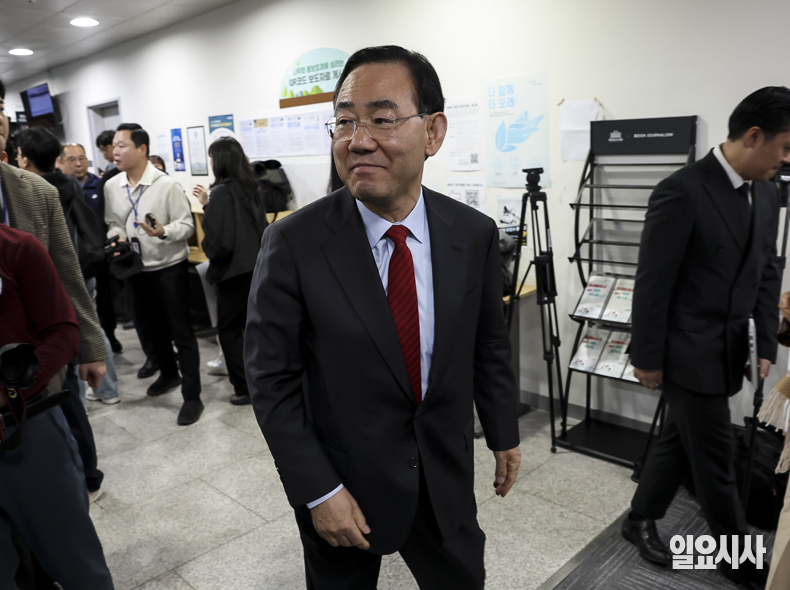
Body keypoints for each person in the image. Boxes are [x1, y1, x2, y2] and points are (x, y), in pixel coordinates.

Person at [246, 46, 521, 589]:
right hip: (343, 482)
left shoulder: (472, 233)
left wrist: (503, 431)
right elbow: (270, 380)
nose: (358, 140)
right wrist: (318, 490)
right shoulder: (294, 242)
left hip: (443, 473)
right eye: (345, 121)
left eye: (382, 119)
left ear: (433, 132)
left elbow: (488, 343)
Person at [622, 86, 788, 589]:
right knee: (716, 461)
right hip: (686, 351)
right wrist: (647, 356)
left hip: (733, 346)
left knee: (679, 437)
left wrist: (765, 344)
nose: (786, 160)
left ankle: (638, 518)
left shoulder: (767, 191)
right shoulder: (682, 190)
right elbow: (653, 282)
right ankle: (738, 560)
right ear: (753, 136)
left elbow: (767, 270)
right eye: (784, 147)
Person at [0, 77, 108, 476]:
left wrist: (92, 346)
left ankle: (86, 476)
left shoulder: (37, 191)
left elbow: (67, 272)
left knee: (63, 435)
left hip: (43, 354)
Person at [0, 223, 115, 589]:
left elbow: (63, 330)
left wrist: (10, 389)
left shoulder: (15, 247)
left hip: (25, 427)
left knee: (75, 561)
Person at [104, 122, 204, 425]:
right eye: (114, 146)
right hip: (136, 269)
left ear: (142, 149)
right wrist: (117, 236)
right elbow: (113, 222)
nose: (115, 151)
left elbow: (186, 225)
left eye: (122, 145)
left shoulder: (166, 185)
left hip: (169, 268)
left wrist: (163, 231)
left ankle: (192, 396)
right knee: (151, 329)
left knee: (181, 332)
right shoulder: (112, 186)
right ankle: (169, 374)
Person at [17, 127, 122, 406]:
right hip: (81, 269)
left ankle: (79, 401)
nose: (78, 163)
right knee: (91, 326)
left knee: (60, 338)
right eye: (72, 158)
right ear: (57, 159)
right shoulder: (71, 185)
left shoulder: (30, 192)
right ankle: (108, 390)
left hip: (54, 279)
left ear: (24, 159)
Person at [201, 136, 268, 406]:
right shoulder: (251, 188)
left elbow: (219, 243)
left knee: (229, 332)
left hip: (232, 274)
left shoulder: (221, 193)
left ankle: (243, 388)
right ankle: (261, 382)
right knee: (255, 330)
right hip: (257, 269)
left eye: (212, 158)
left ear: (219, 161)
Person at [59, 142, 101, 212]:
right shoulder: (57, 189)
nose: (78, 164)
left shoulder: (100, 185)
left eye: (81, 159)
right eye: (72, 160)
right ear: (61, 162)